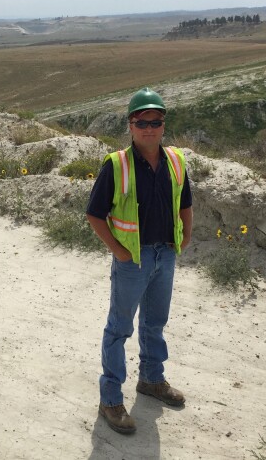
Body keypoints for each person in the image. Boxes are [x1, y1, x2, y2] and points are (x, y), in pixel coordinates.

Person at [85, 87, 193, 435]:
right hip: (134, 258)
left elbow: (185, 202)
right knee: (119, 329)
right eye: (141, 121)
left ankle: (151, 380)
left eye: (155, 121)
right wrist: (119, 251)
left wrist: (185, 235)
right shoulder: (117, 165)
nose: (149, 128)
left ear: (164, 124)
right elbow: (95, 214)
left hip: (165, 253)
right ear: (130, 126)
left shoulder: (175, 160)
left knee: (155, 323)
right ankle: (110, 400)